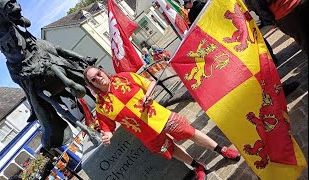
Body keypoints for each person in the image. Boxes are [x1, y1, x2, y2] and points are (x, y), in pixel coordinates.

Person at [84, 66, 241, 180]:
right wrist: (107, 136)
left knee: (191, 133)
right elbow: (107, 127)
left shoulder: (125, 77)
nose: (98, 78)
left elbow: (150, 83)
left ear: (102, 71)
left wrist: (150, 94)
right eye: (93, 79)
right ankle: (198, 166)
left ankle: (222, 150)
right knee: (171, 150)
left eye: (98, 74)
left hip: (161, 117)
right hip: (146, 135)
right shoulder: (101, 106)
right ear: (92, 84)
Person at [183, 0, 299, 97]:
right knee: (262, 70)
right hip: (242, 50)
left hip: (235, 53)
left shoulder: (204, 28)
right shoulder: (212, 16)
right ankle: (279, 91)